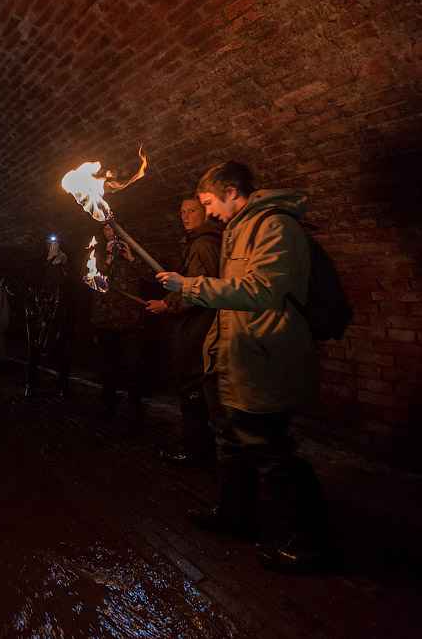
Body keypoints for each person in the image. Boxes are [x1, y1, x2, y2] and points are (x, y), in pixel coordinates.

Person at [157, 161, 336, 574]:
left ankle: (314, 543)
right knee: (232, 439)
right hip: (236, 353)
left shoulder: (274, 226)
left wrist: (190, 285)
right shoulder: (239, 228)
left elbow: (261, 291)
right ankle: (235, 514)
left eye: (208, 202)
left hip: (266, 352)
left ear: (232, 191)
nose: (208, 212)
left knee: (270, 449)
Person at [146, 196, 224, 464]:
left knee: (193, 384)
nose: (185, 215)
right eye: (182, 211)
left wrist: (166, 304)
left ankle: (197, 450)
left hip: (199, 325)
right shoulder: (198, 241)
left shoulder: (203, 243)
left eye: (192, 210)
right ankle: (202, 448)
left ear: (205, 212)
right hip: (198, 325)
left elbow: (199, 289)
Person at [92, 223, 152, 420]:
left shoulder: (135, 249)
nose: (111, 233)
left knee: (134, 369)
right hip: (106, 320)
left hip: (130, 321)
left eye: (113, 229)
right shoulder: (97, 253)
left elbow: (152, 276)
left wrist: (132, 258)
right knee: (108, 367)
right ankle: (108, 406)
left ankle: (134, 410)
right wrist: (108, 259)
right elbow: (92, 279)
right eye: (107, 230)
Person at [25, 236, 75, 398]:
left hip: (63, 313)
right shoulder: (39, 262)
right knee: (36, 349)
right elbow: (32, 280)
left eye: (56, 242)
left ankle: (63, 386)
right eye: (49, 242)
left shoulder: (67, 262)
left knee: (64, 351)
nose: (52, 245)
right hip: (42, 313)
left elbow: (73, 284)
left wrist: (63, 263)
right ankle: (30, 385)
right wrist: (48, 261)